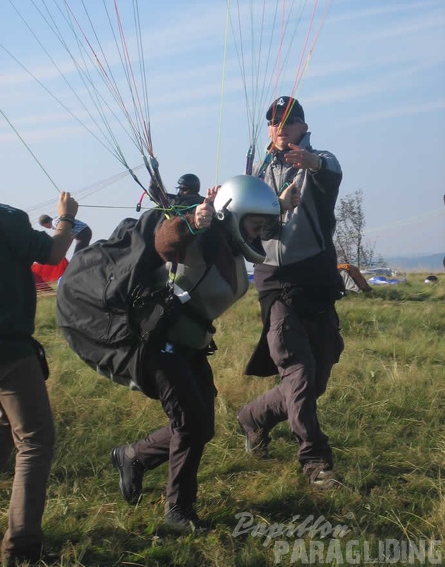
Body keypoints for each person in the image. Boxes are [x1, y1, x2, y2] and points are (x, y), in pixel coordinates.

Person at [109, 175, 280, 531]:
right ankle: (178, 512)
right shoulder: (204, 241)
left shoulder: (233, 251)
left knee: (201, 427)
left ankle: (133, 456)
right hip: (161, 346)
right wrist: (193, 222)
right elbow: (166, 243)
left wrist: (285, 201)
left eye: (263, 226)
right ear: (233, 216)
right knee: (190, 425)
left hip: (192, 348)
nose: (257, 233)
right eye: (254, 223)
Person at [237, 95, 345, 490]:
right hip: (275, 284)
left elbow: (329, 170)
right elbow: (245, 225)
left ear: (302, 125)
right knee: (298, 372)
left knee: (314, 381)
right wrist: (276, 207)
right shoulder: (257, 175)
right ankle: (315, 461)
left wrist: (310, 163)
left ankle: (253, 418)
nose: (278, 129)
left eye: (286, 122)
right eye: (273, 123)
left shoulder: (318, 163)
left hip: (315, 281)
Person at [0, 192, 79, 566]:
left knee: (4, 429)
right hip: (8, 351)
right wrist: (67, 218)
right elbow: (51, 253)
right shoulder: (8, 219)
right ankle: (21, 548)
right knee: (34, 442)